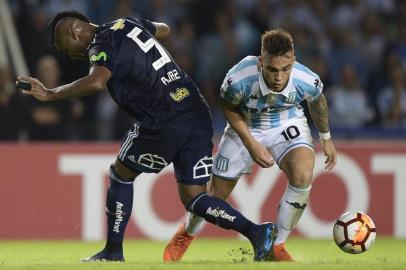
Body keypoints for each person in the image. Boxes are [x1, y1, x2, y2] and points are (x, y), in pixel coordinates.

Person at [17, 10, 278, 262]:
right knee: (194, 197)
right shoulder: (126, 23)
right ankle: (257, 233)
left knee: (120, 173)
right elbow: (164, 29)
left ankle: (113, 251)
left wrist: (51, 94)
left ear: (74, 32)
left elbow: (96, 82)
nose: (72, 57)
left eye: (65, 48)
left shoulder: (101, 44)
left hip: (163, 120)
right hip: (195, 111)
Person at [165, 28, 337, 262]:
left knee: (303, 173)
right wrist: (251, 143)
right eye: (272, 69)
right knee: (215, 195)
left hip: (286, 124)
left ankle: (277, 246)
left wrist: (326, 138)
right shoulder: (239, 78)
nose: (279, 77)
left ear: (293, 62)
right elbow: (228, 107)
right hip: (246, 125)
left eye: (285, 69)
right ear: (260, 62)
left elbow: (318, 102)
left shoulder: (306, 79)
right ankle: (186, 233)